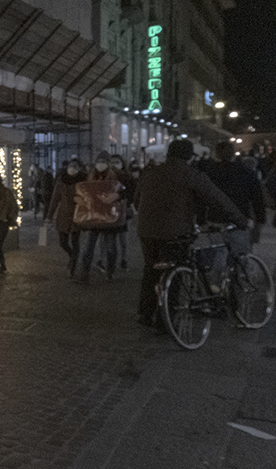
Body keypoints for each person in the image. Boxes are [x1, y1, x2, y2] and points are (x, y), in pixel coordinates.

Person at [136, 139, 250, 328]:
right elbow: (217, 198)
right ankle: (166, 321)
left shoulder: (150, 173)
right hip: (176, 232)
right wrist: (240, 220)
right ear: (189, 156)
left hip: (146, 231)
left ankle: (145, 314)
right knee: (175, 273)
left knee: (151, 270)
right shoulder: (190, 174)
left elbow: (136, 199)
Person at [203, 140, 265, 254]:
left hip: (216, 218)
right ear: (233, 154)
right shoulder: (246, 172)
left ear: (217, 154)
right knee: (241, 256)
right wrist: (260, 218)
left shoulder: (209, 172)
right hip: (240, 218)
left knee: (217, 256)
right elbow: (257, 197)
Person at [75, 151, 122, 284]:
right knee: (88, 247)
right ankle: (85, 273)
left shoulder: (116, 175)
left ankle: (110, 271)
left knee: (111, 248)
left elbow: (127, 188)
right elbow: (81, 190)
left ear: (109, 164)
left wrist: (117, 196)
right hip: (94, 216)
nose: (100, 165)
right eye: (99, 162)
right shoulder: (90, 175)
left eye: (103, 162)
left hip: (109, 216)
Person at [47, 159, 84, 277]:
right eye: (70, 166)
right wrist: (49, 215)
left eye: (75, 166)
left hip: (77, 214)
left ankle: (72, 267)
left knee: (75, 241)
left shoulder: (82, 181)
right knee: (62, 242)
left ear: (79, 169)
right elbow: (55, 199)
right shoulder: (61, 180)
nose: (72, 168)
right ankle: (73, 256)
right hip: (63, 215)